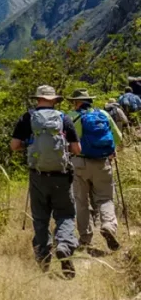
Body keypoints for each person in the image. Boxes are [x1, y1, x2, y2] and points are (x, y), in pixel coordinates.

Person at [11, 85, 81, 278]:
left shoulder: (28, 118)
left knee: (40, 218)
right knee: (65, 215)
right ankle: (65, 246)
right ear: (53, 100)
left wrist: (30, 145)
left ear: (38, 99)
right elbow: (76, 149)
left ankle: (43, 258)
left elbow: (14, 145)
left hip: (38, 175)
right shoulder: (63, 118)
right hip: (61, 175)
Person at [66, 89, 122, 252]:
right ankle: (108, 226)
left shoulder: (70, 117)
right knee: (105, 198)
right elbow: (118, 137)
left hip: (79, 163)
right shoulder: (103, 114)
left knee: (81, 201)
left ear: (76, 102)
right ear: (90, 101)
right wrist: (110, 151)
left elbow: (64, 141)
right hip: (102, 162)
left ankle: (85, 238)